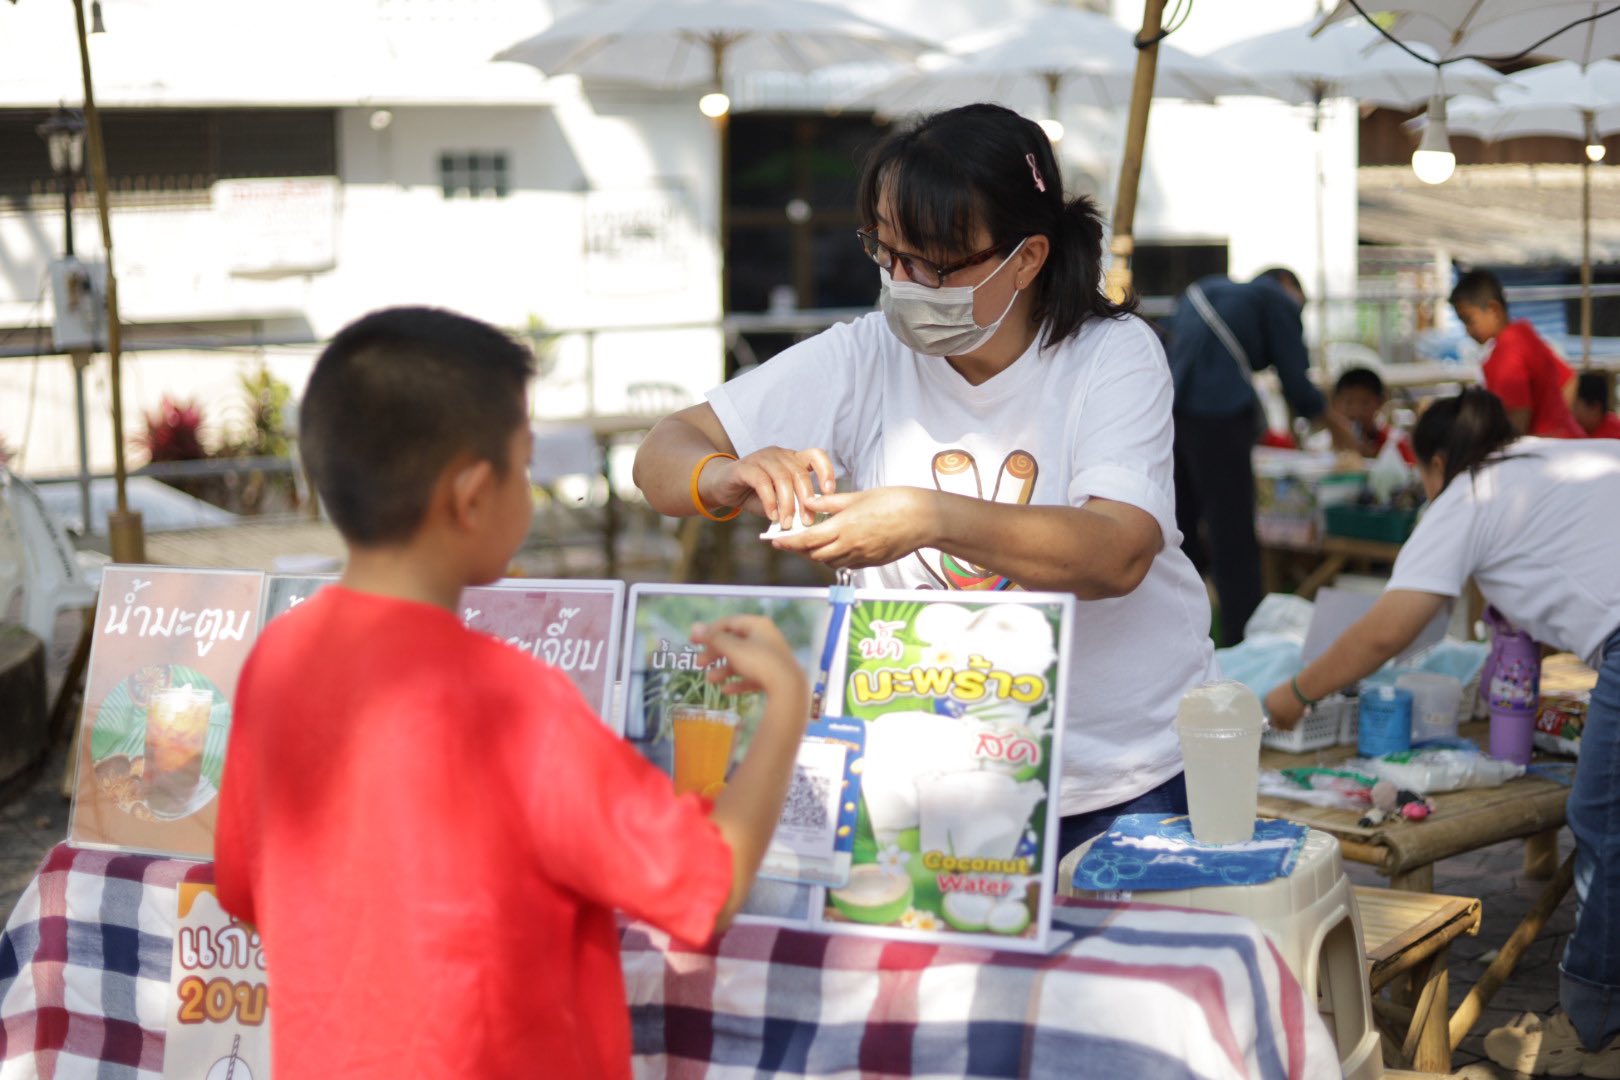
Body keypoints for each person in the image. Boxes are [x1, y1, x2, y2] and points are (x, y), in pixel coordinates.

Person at [213, 307, 811, 1078]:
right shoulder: (511, 703)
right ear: (470, 496)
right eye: (525, 467)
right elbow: (709, 885)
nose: (529, 494)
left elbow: (242, 882)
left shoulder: (278, 657)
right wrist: (786, 702)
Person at [633, 103, 1219, 856]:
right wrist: (726, 472)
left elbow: (1118, 552)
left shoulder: (1111, 356)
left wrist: (926, 516)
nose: (902, 281)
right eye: (886, 251)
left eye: (933, 263)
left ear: (1027, 258)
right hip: (917, 777)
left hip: (1112, 780)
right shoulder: (866, 355)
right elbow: (662, 455)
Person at [1263, 389, 1620, 1075]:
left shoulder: (1466, 495)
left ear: (1434, 463)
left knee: (1601, 818)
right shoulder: (1545, 460)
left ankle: (1593, 1029)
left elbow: (1390, 628)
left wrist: (1295, 693)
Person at [1166, 267, 1350, 645]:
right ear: (1288, 288)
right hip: (1220, 416)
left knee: (1179, 529)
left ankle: (1174, 632)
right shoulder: (1278, 299)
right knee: (1231, 534)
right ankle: (1242, 640)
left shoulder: (1202, 287)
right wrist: (1338, 428)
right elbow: (1297, 384)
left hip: (1170, 410)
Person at [1449, 268, 1584, 438]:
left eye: (1469, 320)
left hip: (1544, 453)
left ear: (1493, 310)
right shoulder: (1524, 335)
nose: (1467, 330)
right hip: (1567, 442)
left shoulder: (1506, 352)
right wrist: (1556, 422)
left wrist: (1539, 438)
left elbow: (1519, 414)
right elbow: (1569, 380)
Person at [1332, 366, 1415, 463]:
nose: (1356, 410)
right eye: (1348, 402)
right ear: (1335, 402)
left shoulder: (1395, 442)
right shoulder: (1320, 446)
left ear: (1380, 402)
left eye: (1365, 402)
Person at [1575, 370, 1620, 440]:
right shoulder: (1572, 430)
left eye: (1574, 405)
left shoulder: (1615, 437)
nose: (1569, 411)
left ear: (1595, 408)